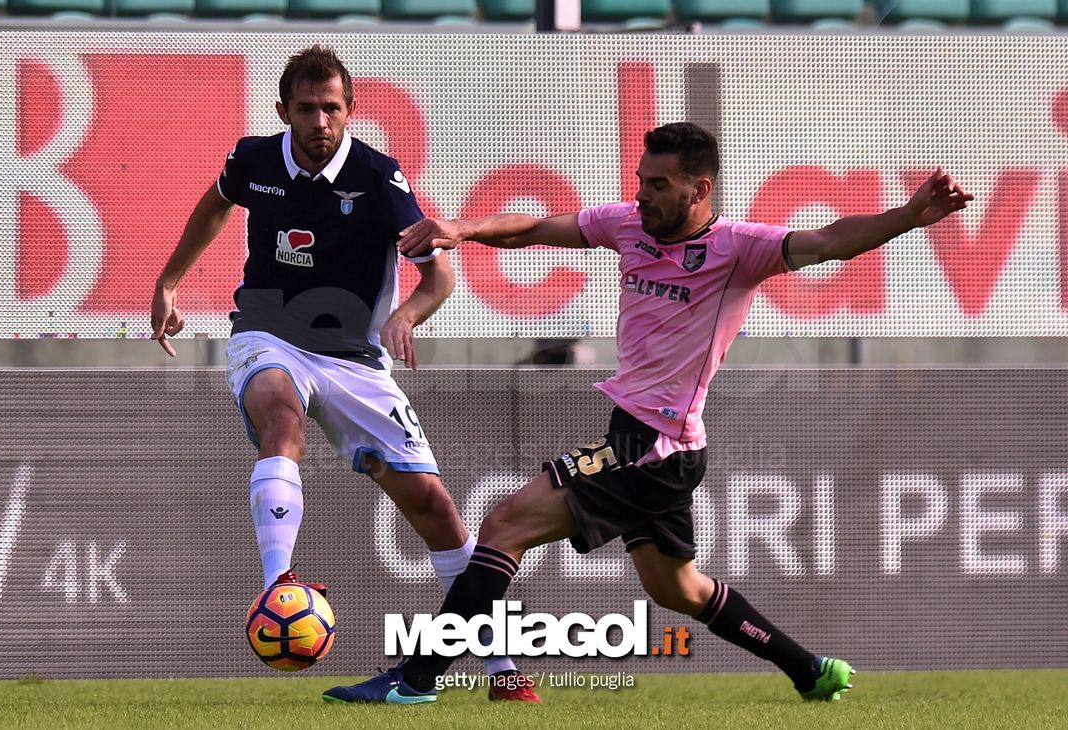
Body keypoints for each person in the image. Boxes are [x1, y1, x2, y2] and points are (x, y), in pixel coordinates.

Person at [322, 122, 974, 706]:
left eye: (658, 185)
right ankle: (808, 670)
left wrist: (910, 215)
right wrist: (461, 229)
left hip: (654, 444)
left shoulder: (738, 249)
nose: (643, 195)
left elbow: (833, 240)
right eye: (640, 180)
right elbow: (538, 227)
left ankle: (415, 680)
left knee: (503, 525)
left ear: (700, 190)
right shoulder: (628, 227)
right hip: (650, 444)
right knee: (677, 590)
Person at [150, 45, 539, 703]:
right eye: (307, 108)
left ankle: (501, 665)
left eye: (332, 107)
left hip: (356, 359)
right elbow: (215, 205)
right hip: (268, 333)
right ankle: (280, 582)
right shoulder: (252, 160)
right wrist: (168, 282)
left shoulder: (379, 177)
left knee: (435, 510)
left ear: (351, 110)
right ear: (284, 111)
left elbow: (439, 270)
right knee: (281, 418)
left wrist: (410, 314)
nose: (320, 120)